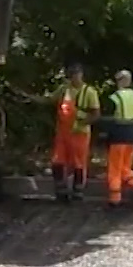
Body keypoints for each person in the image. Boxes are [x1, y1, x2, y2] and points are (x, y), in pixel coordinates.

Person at [50, 63, 99, 201]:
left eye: (76, 74)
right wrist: (30, 97)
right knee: (58, 161)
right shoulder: (63, 89)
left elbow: (96, 114)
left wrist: (82, 123)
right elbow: (50, 100)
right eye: (72, 75)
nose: (74, 77)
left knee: (79, 163)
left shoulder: (89, 92)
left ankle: (78, 191)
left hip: (80, 133)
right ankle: (61, 190)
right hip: (63, 132)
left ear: (81, 75)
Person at [103, 70, 133, 208]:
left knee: (115, 168)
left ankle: (115, 198)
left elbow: (111, 117)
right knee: (125, 166)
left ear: (120, 81)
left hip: (119, 137)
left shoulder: (116, 97)